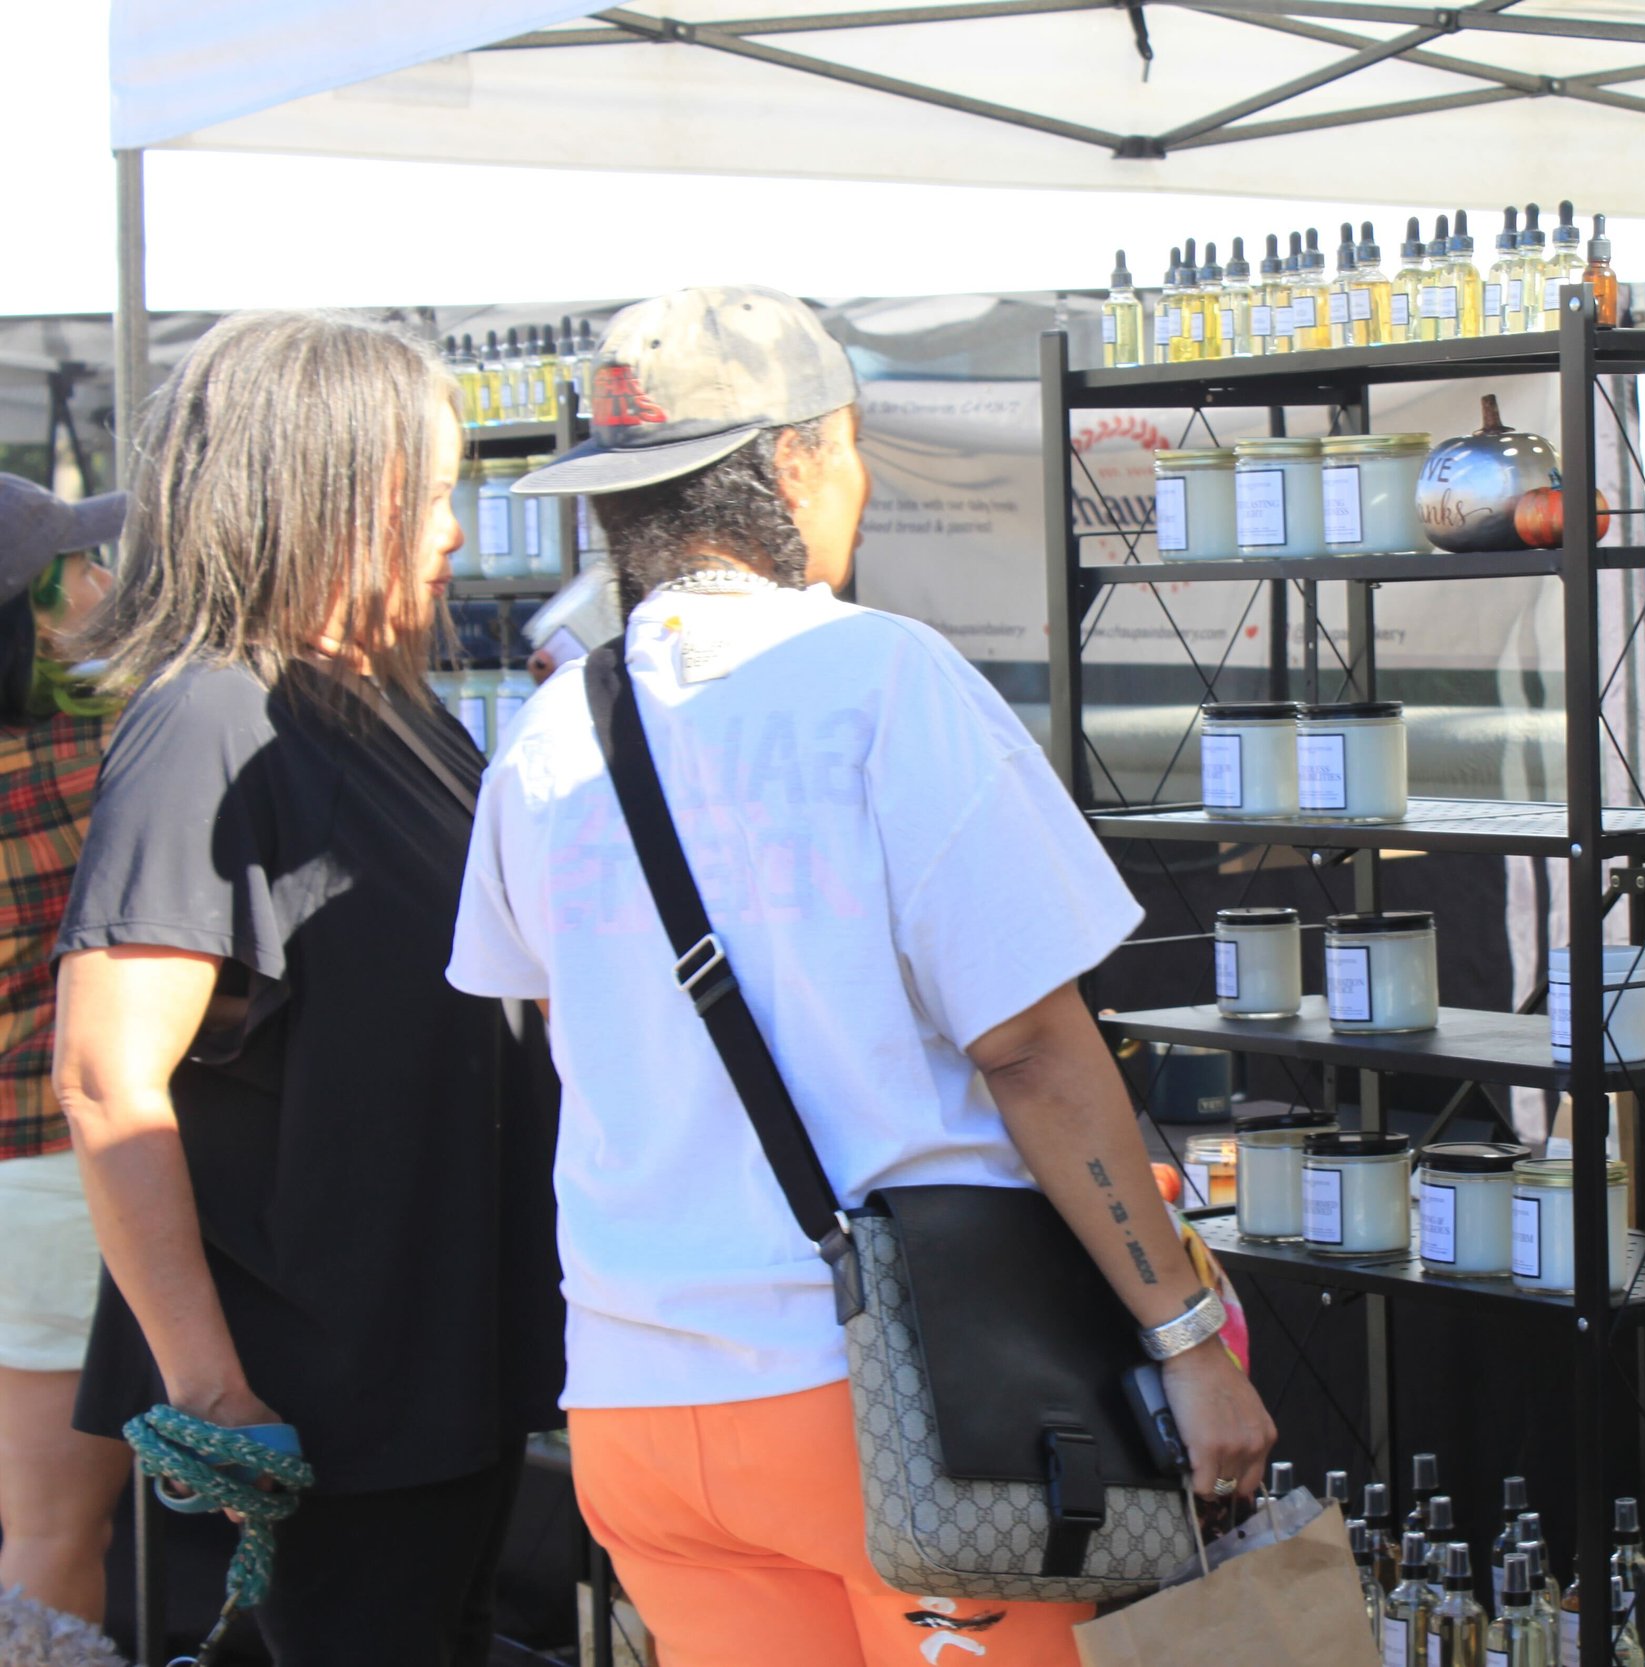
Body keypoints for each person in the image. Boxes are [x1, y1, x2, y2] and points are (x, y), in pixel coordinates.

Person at [447, 285, 1276, 1667]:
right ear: (795, 458)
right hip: (900, 1398)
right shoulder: (878, 678)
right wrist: (1186, 1333)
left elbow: (558, 1018)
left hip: (640, 1398)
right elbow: (1029, 1045)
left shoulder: (548, 731)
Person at [49, 313, 563, 1663]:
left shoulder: (393, 704)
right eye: (436, 493)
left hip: (443, 1355)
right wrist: (215, 1388)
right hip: (318, 1392)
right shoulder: (208, 719)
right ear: (333, 492)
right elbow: (107, 1077)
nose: (455, 531)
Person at [0, 477, 127, 1647]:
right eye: (79, 572)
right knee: (48, 1532)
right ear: (29, 616)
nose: (104, 584)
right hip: (43, 1172)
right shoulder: (87, 765)